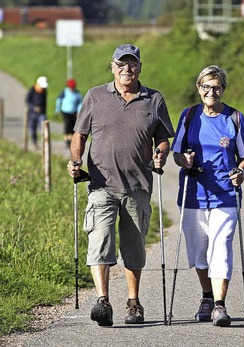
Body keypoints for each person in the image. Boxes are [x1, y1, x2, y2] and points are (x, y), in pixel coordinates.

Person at [66, 44, 174, 327]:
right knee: (100, 242)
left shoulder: (153, 99)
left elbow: (163, 138)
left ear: (140, 66)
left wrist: (161, 152)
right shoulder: (95, 96)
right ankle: (103, 301)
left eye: (132, 64)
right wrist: (76, 161)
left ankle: (133, 302)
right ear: (112, 66)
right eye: (121, 64)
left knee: (134, 247)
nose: (127, 69)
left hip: (138, 185)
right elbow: (79, 135)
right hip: (101, 184)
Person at [171, 65, 244, 327]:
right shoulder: (188, 116)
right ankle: (206, 295)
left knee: (222, 248)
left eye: (216, 87)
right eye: (206, 86)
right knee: (199, 252)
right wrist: (184, 160)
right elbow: (176, 153)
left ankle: (219, 305)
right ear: (199, 88)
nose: (211, 92)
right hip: (193, 194)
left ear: (223, 89)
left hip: (225, 196)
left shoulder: (234, 118)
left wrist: (240, 172)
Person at [55, 78, 83, 148]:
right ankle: (67, 140)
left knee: (73, 126)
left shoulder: (77, 93)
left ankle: (71, 140)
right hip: (65, 111)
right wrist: (57, 110)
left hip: (74, 112)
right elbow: (59, 100)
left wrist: (79, 111)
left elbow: (80, 102)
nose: (71, 89)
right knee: (67, 125)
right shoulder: (65, 92)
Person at [25, 76, 48, 149]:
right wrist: (34, 108)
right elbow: (27, 100)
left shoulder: (44, 91)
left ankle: (45, 143)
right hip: (32, 114)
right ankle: (34, 142)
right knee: (32, 129)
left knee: (43, 128)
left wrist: (43, 111)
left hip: (41, 113)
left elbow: (44, 102)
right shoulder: (32, 90)